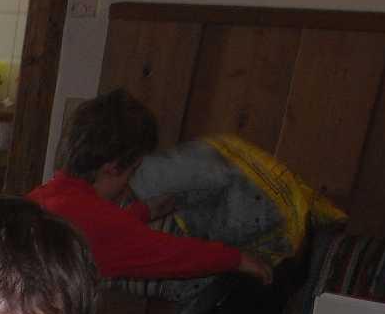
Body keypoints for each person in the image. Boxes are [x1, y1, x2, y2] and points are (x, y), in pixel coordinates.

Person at [28, 89, 273, 286]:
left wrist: (142, 212)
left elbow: (102, 230)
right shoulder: (97, 225)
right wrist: (237, 259)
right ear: (112, 168)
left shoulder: (42, 197)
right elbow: (173, 256)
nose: (130, 180)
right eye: (133, 170)